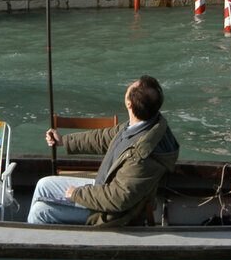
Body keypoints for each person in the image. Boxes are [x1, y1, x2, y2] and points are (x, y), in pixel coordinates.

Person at [27, 75, 180, 226]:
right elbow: (103, 138)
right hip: (102, 188)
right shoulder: (144, 124)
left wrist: (77, 194)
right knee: (43, 184)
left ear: (129, 104)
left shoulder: (143, 155)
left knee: (40, 211)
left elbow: (118, 199)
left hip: (109, 213)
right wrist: (65, 141)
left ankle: (37, 248)